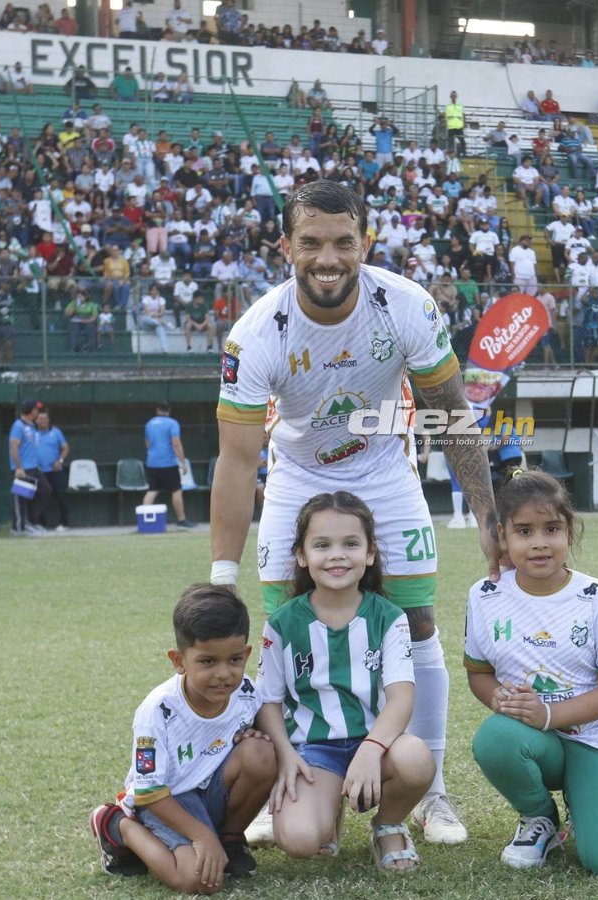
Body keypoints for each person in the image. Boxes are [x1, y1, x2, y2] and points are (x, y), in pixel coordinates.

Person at [211, 181, 496, 848]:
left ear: (365, 242)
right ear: (286, 247)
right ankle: (287, 782)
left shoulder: (406, 307)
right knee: (286, 630)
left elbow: (452, 413)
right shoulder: (256, 334)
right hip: (298, 475)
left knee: (417, 622)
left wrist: (487, 513)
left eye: (344, 241)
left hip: (383, 472)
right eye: (311, 242)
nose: (328, 257)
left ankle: (433, 790)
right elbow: (234, 459)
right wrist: (222, 576)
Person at [465, 470, 598, 875]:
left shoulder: (595, 596)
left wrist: (550, 715)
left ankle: (589, 798)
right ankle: (540, 817)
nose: (540, 542)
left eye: (552, 528)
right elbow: (478, 672)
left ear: (570, 531)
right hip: (531, 738)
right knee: (495, 738)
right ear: (501, 535)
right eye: (524, 531)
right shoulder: (485, 595)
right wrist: (498, 698)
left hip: (595, 737)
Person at [254, 492, 434, 871]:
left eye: (351, 544)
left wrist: (371, 749)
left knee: (416, 757)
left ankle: (387, 824)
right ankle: (327, 805)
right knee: (300, 840)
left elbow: (401, 698)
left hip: (376, 746)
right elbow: (268, 700)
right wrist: (286, 755)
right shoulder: (283, 623)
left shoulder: (389, 617)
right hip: (313, 752)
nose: (337, 555)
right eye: (322, 545)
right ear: (302, 555)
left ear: (370, 554)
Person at [88, 584, 277, 890]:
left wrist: (254, 735)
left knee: (262, 752)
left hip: (209, 793)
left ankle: (230, 838)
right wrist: (200, 835)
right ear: (179, 661)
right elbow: (149, 792)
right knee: (199, 881)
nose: (223, 674)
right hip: (166, 800)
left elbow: (260, 745)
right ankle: (116, 826)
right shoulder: (157, 712)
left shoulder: (246, 692)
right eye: (207, 661)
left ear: (246, 654)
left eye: (234, 660)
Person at [143, 401, 194, 529]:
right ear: (169, 410)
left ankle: (144, 520)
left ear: (157, 410)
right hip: (168, 464)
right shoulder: (172, 423)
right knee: (176, 491)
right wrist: (183, 463)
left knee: (152, 490)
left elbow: (147, 444)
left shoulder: (149, 424)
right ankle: (182, 521)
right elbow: (176, 444)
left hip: (152, 463)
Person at [9, 398, 53, 535]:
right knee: (21, 499)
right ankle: (18, 528)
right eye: (36, 409)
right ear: (32, 410)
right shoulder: (18, 426)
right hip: (23, 468)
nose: (38, 411)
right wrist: (19, 468)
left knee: (46, 490)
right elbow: (14, 448)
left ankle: (31, 521)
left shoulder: (32, 426)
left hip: (34, 467)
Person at [35, 409, 70, 533]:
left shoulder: (56, 432)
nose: (43, 421)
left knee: (61, 496)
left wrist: (59, 461)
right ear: (36, 420)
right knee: (39, 497)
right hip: (39, 472)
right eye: (40, 418)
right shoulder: (32, 433)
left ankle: (64, 523)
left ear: (49, 420)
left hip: (55, 471)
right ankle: (41, 524)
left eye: (45, 418)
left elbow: (65, 448)